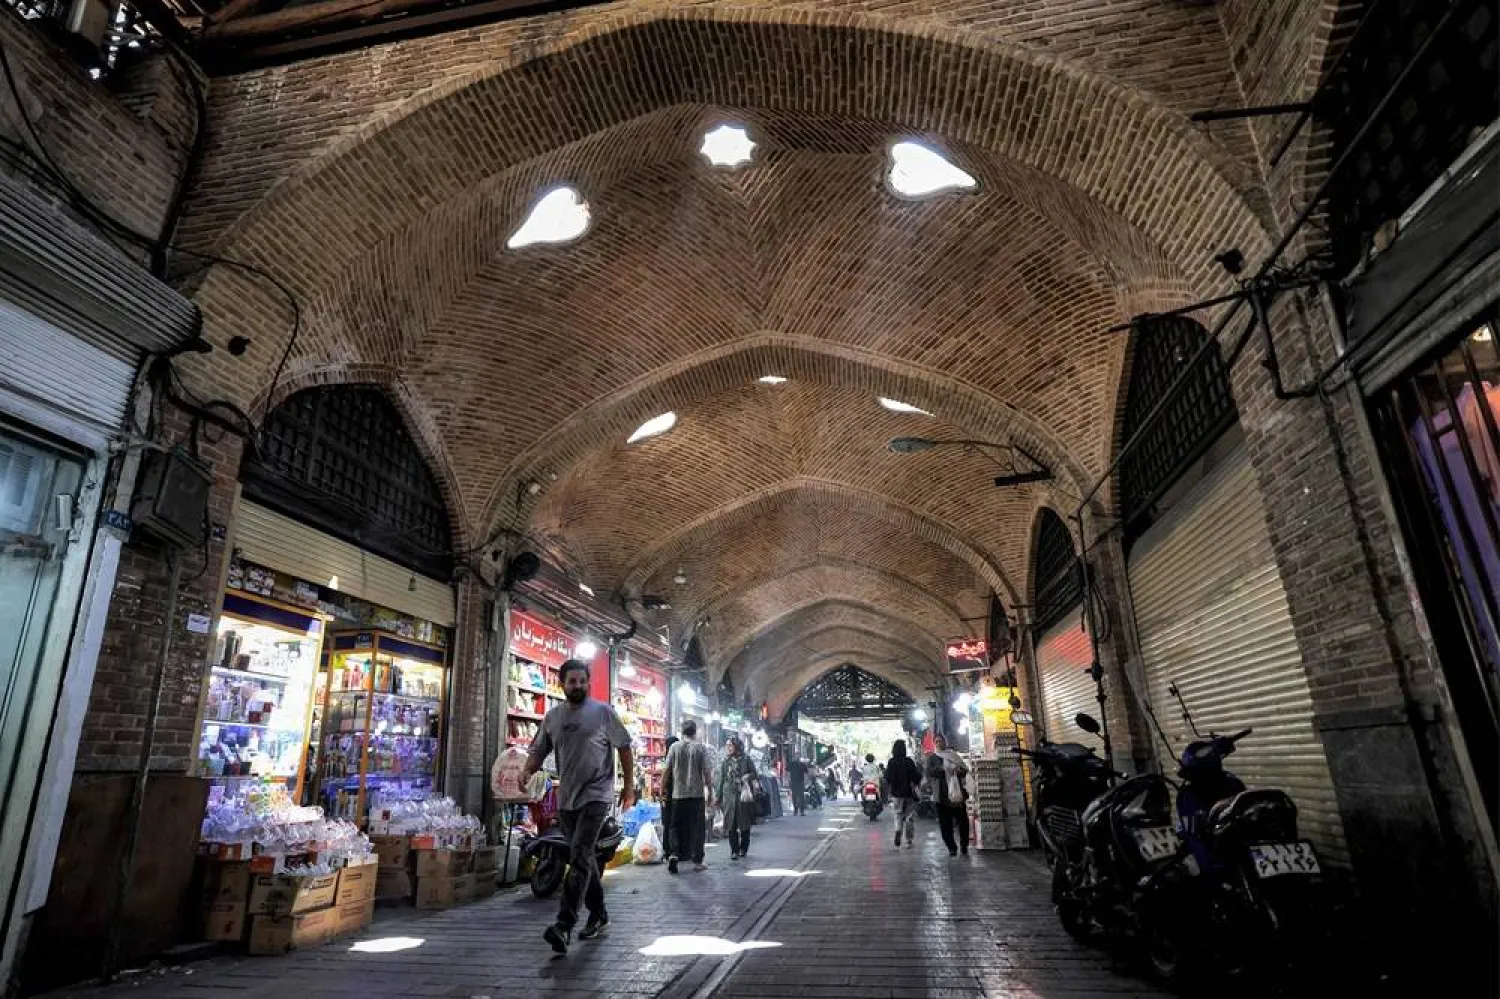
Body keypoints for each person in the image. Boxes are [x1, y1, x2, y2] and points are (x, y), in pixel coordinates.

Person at [520, 659, 634, 955]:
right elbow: (538, 750)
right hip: (567, 799)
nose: (578, 686)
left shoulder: (603, 713)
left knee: (580, 855)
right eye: (572, 681)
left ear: (588, 682)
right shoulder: (553, 717)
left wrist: (630, 787)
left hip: (597, 795)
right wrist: (525, 772)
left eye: (582, 681)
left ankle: (563, 925)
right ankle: (599, 914)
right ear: (562, 684)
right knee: (583, 860)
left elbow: (624, 747)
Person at [662, 720, 714, 873]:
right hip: (696, 795)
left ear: (681, 731)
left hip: (678, 795)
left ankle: (674, 854)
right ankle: (697, 860)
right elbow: (706, 771)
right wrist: (710, 790)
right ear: (695, 731)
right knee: (698, 827)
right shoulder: (700, 748)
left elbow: (666, 771)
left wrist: (662, 789)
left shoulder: (674, 747)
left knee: (674, 827)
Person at [924, 733, 970, 857]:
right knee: (945, 825)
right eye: (937, 741)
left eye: (941, 741)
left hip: (957, 795)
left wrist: (958, 771)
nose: (939, 743)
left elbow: (964, 770)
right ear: (935, 743)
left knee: (963, 822)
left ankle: (964, 845)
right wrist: (942, 769)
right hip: (941, 796)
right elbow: (928, 772)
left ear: (945, 742)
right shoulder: (932, 758)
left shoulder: (953, 755)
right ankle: (952, 847)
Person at [717, 736, 760, 860]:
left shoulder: (746, 759)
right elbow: (721, 779)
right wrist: (718, 797)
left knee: (744, 825)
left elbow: (754, 773)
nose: (728, 748)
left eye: (730, 745)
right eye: (727, 745)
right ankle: (734, 850)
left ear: (737, 746)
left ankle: (743, 849)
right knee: (731, 825)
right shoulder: (726, 761)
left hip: (743, 797)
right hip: (729, 797)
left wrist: (747, 776)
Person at [885, 739, 923, 849]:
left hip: (896, 794)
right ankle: (909, 840)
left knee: (898, 814)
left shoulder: (891, 762)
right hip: (909, 794)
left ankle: (898, 830)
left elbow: (887, 778)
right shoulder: (909, 761)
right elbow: (916, 777)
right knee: (909, 817)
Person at [660, 735, 679, 860]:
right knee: (673, 824)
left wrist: (662, 793)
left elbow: (665, 778)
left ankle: (668, 850)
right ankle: (673, 850)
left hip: (668, 795)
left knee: (667, 824)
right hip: (675, 796)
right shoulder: (677, 759)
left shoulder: (667, 760)